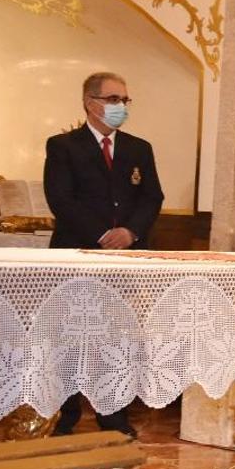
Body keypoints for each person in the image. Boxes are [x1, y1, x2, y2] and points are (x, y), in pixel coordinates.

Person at [44, 71, 163, 437]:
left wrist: (130, 232)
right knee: (69, 337)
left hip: (124, 262)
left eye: (124, 101)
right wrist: (101, 235)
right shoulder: (64, 146)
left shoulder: (138, 148)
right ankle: (63, 415)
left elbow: (152, 197)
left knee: (117, 339)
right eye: (113, 100)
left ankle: (113, 414)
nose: (120, 107)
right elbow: (61, 198)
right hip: (77, 254)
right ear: (90, 102)